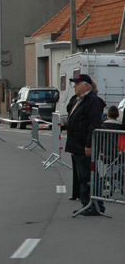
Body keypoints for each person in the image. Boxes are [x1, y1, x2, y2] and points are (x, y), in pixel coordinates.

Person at [66, 74, 106, 216]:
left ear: (86, 86)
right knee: (82, 176)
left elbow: (94, 124)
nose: (75, 86)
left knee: (89, 175)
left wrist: (89, 144)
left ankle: (96, 205)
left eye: (77, 84)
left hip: (85, 145)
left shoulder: (92, 101)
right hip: (76, 145)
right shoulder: (77, 100)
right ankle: (86, 203)